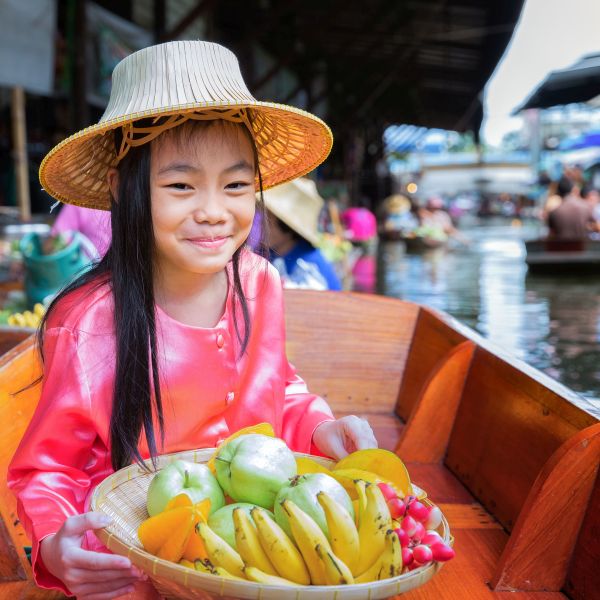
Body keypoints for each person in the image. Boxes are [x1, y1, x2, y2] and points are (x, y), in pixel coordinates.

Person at [8, 41, 377, 599]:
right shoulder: (86, 320)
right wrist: (60, 547)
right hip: (133, 560)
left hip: (253, 545)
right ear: (122, 188)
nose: (213, 210)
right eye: (181, 185)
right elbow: (47, 471)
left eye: (235, 185)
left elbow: (281, 387)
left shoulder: (259, 282)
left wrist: (320, 427)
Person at [263, 177, 342, 290]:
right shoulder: (270, 254)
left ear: (287, 227)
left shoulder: (309, 266)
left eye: (269, 221)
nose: (262, 226)